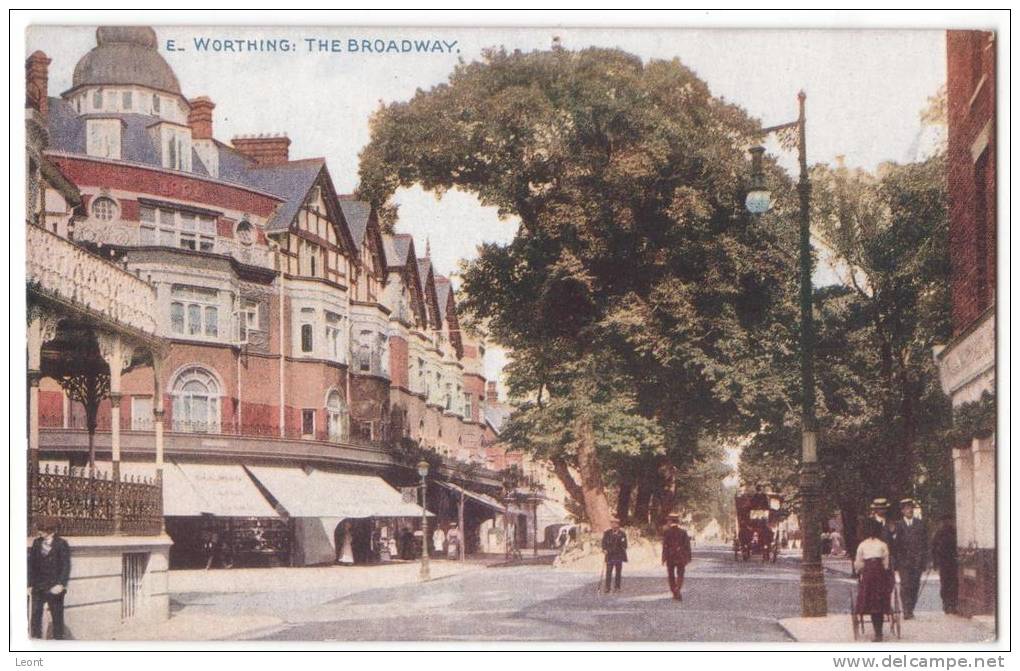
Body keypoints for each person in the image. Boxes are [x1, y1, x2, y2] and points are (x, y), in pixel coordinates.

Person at [28, 520, 71, 640]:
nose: (39, 532)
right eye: (39, 530)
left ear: (50, 531)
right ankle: (35, 640)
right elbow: (31, 564)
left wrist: (61, 584)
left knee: (57, 617)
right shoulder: (37, 543)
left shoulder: (61, 544)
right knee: (35, 616)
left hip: (54, 587)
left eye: (42, 530)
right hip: (38, 587)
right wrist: (30, 584)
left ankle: (58, 641)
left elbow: (66, 566)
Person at [854, 519, 893, 642]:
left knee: (870, 600)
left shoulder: (862, 545)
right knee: (879, 601)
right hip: (880, 575)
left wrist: (859, 571)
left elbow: (859, 564)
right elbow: (886, 564)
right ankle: (879, 632)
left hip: (868, 575)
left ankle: (877, 632)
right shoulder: (882, 544)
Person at [893, 499, 928, 620]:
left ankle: (911, 608)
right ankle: (906, 610)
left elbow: (925, 543)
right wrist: (896, 562)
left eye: (911, 508)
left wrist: (925, 561)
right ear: (902, 511)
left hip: (917, 561)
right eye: (907, 508)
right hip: (904, 562)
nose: (910, 510)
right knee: (905, 584)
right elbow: (895, 545)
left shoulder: (920, 524)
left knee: (915, 585)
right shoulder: (898, 525)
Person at [931, 515, 958, 614]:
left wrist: (935, 562)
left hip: (952, 562)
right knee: (946, 583)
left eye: (948, 521)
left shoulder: (953, 532)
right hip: (944, 562)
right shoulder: (939, 533)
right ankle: (947, 604)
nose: (946, 523)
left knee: (952, 583)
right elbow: (934, 548)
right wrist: (935, 562)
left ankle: (952, 604)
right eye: (944, 521)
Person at [661, 514, 692, 601]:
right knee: (680, 575)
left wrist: (663, 558)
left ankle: (674, 591)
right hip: (680, 557)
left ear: (671, 521)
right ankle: (677, 588)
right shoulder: (683, 532)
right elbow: (687, 546)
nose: (667, 522)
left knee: (671, 575)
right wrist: (688, 557)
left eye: (668, 520)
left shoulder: (667, 532)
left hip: (670, 556)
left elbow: (665, 546)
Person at [601, 517, 628, 593]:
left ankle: (617, 587)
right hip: (609, 556)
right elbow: (603, 543)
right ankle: (607, 587)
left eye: (615, 524)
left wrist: (621, 548)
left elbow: (625, 545)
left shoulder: (622, 534)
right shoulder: (607, 533)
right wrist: (604, 549)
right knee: (608, 572)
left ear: (618, 525)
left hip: (618, 556)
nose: (613, 525)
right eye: (612, 523)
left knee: (618, 572)